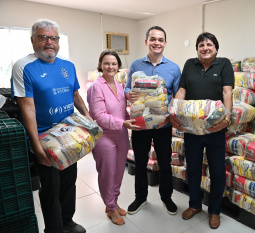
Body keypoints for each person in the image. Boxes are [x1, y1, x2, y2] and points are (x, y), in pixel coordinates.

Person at [11, 19, 89, 233]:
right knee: (50, 188)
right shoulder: (24, 66)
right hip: (45, 139)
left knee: (69, 181)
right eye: (43, 37)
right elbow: (27, 108)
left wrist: (89, 120)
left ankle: (67, 221)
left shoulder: (67, 65)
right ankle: (54, 228)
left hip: (69, 136)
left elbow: (76, 96)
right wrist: (36, 146)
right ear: (33, 40)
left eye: (53, 38)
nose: (49, 42)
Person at [170, 32, 234, 229]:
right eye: (201, 45)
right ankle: (195, 205)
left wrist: (227, 117)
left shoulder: (224, 64)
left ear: (216, 47)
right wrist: (173, 113)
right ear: (197, 49)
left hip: (215, 127)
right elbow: (181, 91)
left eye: (209, 44)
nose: (205, 48)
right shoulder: (190, 64)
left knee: (216, 171)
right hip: (192, 128)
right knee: (194, 168)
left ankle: (214, 211)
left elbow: (227, 91)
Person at [124, 26, 181, 215]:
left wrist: (171, 107)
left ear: (165, 43)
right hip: (140, 124)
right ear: (146, 41)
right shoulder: (135, 65)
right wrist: (129, 94)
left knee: (165, 162)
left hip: (163, 124)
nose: (157, 42)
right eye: (153, 39)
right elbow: (126, 89)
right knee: (140, 162)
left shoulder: (173, 68)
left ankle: (167, 197)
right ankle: (140, 198)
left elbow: (178, 94)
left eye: (161, 39)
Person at [87, 50, 140, 225]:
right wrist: (123, 123)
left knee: (118, 173)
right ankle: (110, 207)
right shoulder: (96, 87)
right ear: (100, 65)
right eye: (106, 63)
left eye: (114, 63)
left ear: (118, 66)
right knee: (107, 174)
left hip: (122, 136)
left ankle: (113, 202)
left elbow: (122, 111)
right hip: (104, 137)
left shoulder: (119, 85)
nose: (110, 67)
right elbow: (99, 116)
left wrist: (130, 119)